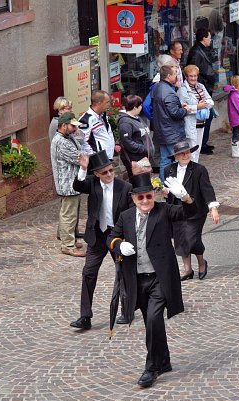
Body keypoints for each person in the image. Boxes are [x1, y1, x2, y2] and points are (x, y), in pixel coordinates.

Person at [107, 172, 197, 388]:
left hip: (160, 278)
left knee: (154, 319)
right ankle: (164, 360)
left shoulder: (164, 211)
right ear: (133, 198)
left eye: (148, 196)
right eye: (141, 197)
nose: (145, 201)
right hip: (138, 280)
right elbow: (111, 237)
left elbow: (190, 213)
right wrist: (118, 245)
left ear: (153, 195)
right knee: (151, 322)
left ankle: (152, 367)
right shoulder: (126, 216)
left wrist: (186, 198)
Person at [69, 151, 133, 330]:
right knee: (88, 272)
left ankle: (127, 310)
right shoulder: (92, 183)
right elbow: (77, 185)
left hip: (116, 235)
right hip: (97, 235)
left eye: (111, 170)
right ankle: (85, 316)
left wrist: (127, 239)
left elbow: (130, 215)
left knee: (123, 272)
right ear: (96, 174)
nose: (110, 174)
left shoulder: (124, 187)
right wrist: (83, 168)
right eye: (105, 172)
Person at [163, 141, 219, 281]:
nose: (185, 155)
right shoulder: (168, 169)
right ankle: (187, 269)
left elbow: (207, 189)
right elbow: (170, 190)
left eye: (187, 152)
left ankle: (201, 262)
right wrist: (166, 193)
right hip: (176, 209)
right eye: (181, 153)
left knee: (191, 237)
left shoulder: (199, 169)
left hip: (196, 210)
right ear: (176, 156)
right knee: (180, 238)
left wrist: (213, 208)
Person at [50, 112, 85, 257]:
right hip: (68, 185)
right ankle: (68, 245)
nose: (75, 129)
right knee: (68, 216)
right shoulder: (62, 142)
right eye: (72, 126)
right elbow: (80, 158)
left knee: (71, 214)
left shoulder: (68, 137)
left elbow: (81, 152)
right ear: (63, 126)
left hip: (72, 183)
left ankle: (70, 239)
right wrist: (83, 156)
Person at [151, 65, 192, 180]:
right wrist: (185, 110)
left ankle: (164, 183)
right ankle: (177, 183)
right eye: (175, 74)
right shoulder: (168, 92)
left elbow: (165, 108)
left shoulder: (157, 87)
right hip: (171, 132)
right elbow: (175, 113)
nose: (176, 76)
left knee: (165, 159)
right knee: (178, 159)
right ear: (168, 76)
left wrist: (179, 106)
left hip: (162, 131)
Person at [186, 28, 218, 155]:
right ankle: (201, 144)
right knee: (204, 115)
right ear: (203, 38)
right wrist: (198, 86)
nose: (210, 40)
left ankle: (203, 142)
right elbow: (193, 72)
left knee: (207, 115)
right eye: (209, 37)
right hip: (200, 89)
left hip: (205, 86)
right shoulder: (196, 52)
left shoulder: (202, 50)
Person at [178, 64, 215, 163]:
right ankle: (191, 169)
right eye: (191, 76)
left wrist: (204, 103)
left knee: (197, 149)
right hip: (191, 123)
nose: (193, 78)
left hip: (201, 122)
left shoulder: (201, 86)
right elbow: (183, 108)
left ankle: (195, 169)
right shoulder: (183, 90)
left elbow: (211, 101)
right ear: (186, 77)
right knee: (191, 150)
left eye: (195, 76)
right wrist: (198, 106)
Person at [118, 95, 153, 179]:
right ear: (135, 107)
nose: (141, 108)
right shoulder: (125, 122)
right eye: (140, 105)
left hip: (143, 157)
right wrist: (142, 149)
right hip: (136, 158)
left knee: (145, 179)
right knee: (139, 180)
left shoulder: (136, 117)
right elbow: (127, 142)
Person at [79, 90, 116, 159]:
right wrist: (94, 157)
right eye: (107, 102)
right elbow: (83, 142)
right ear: (99, 103)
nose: (109, 104)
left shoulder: (103, 116)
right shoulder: (86, 119)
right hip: (98, 160)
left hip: (108, 158)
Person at [223, 75, 239, 158]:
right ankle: (235, 152)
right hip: (236, 119)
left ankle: (237, 150)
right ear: (237, 84)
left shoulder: (234, 94)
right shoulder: (235, 95)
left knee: (236, 134)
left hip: (235, 118)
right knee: (236, 135)